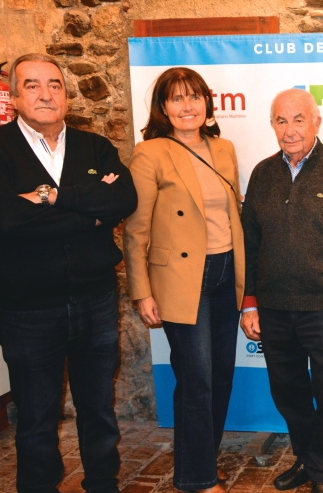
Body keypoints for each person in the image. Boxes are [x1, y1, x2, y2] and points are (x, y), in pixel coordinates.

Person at [0, 53, 137, 493]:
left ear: (65, 93)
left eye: (55, 85)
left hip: (95, 300)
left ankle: (103, 483)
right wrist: (86, 209)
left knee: (99, 408)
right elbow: (2, 218)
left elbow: (123, 201)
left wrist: (44, 199)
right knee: (36, 416)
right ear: (14, 96)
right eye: (33, 85)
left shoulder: (94, 147)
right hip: (29, 308)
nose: (46, 94)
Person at [239, 89, 323, 493]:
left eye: (298, 119)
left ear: (316, 122)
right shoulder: (262, 173)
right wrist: (249, 304)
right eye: (281, 120)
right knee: (288, 392)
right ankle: (307, 459)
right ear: (272, 125)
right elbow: (250, 243)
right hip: (274, 310)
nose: (289, 129)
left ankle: (322, 470)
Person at [123, 67, 245, 493]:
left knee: (221, 375)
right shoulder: (150, 152)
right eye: (176, 99)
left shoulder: (225, 148)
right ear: (162, 108)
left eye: (194, 97)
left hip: (226, 271)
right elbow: (136, 228)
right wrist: (141, 291)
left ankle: (199, 463)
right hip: (180, 278)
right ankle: (198, 478)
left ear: (208, 104)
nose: (187, 106)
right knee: (196, 378)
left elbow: (234, 213)